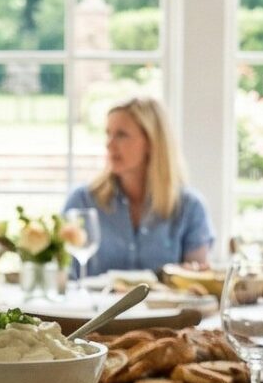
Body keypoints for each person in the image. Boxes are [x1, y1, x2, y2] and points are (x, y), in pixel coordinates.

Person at [63, 96, 216, 272]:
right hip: (97, 301)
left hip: (161, 301)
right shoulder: (82, 202)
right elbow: (65, 278)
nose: (109, 144)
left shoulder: (190, 207)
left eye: (121, 135)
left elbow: (196, 284)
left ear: (151, 143)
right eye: (108, 134)